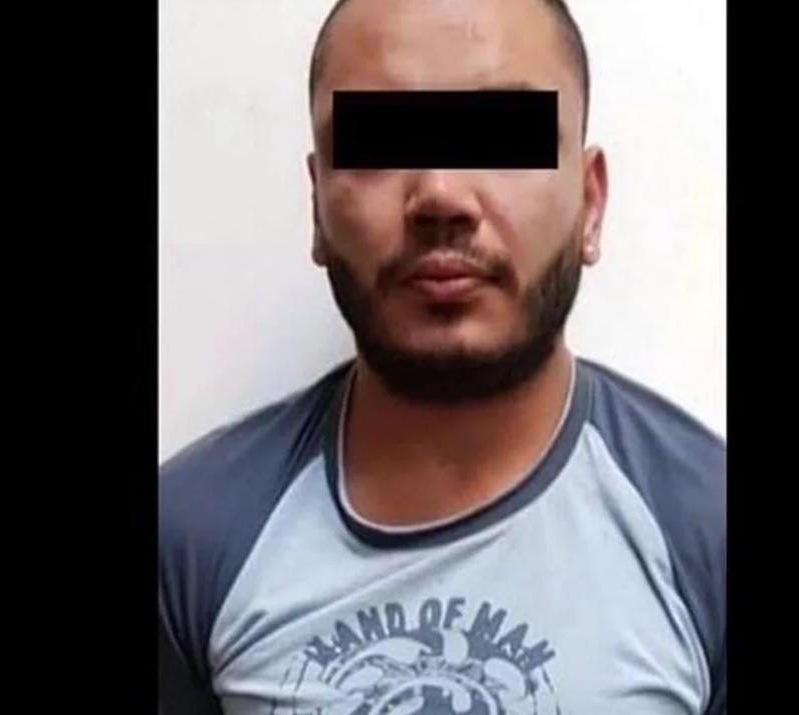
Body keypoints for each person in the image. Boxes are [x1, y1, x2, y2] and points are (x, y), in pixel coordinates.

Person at [158, 0, 726, 713]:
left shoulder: (706, 532)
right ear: (317, 206)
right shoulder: (188, 538)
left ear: (589, 203)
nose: (440, 194)